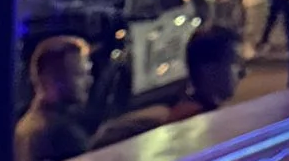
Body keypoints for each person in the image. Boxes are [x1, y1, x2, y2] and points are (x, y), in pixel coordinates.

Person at [94, 21, 244, 146]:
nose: (242, 73)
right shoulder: (192, 125)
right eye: (235, 62)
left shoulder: (187, 112)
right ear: (209, 69)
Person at [12, 32, 91, 161]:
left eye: (87, 73)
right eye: (78, 74)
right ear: (50, 79)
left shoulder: (25, 124)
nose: (89, 81)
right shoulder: (62, 134)